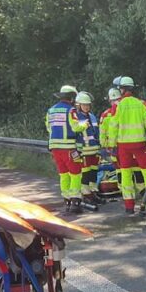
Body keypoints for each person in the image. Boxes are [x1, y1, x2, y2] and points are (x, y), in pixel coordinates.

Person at [107, 77, 146, 213]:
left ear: (122, 89)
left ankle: (129, 207)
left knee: (126, 175)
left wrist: (112, 146)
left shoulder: (117, 106)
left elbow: (113, 128)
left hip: (123, 147)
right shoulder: (141, 103)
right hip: (140, 145)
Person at [46, 85, 87, 213]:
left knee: (63, 174)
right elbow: (75, 127)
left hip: (55, 148)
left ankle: (67, 200)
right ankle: (75, 202)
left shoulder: (51, 111)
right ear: (71, 97)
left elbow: (49, 128)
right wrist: (84, 124)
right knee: (75, 173)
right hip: (69, 148)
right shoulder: (71, 111)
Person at [75, 91, 103, 207]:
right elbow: (76, 135)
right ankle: (86, 195)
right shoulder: (76, 118)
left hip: (94, 150)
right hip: (84, 151)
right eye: (84, 105)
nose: (86, 107)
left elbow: (97, 133)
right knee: (85, 174)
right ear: (79, 105)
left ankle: (93, 193)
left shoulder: (92, 117)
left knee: (93, 173)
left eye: (88, 105)